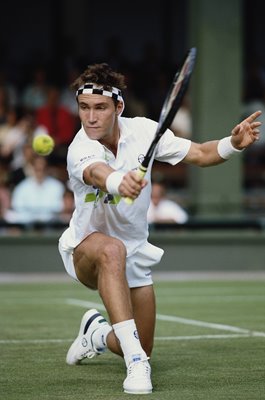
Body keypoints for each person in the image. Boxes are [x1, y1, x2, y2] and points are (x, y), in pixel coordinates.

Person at [58, 63, 261, 394]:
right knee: (112, 249)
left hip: (134, 253)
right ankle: (137, 365)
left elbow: (199, 153)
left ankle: (95, 333)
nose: (91, 117)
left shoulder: (144, 132)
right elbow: (96, 173)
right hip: (87, 250)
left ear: (118, 107)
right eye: (84, 108)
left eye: (100, 108)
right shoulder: (81, 147)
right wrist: (118, 182)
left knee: (140, 341)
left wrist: (233, 143)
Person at [9, 155, 65, 225]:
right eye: (37, 169)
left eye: (43, 169)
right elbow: (17, 209)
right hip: (26, 227)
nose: (40, 172)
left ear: (47, 168)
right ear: (32, 168)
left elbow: (59, 209)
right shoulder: (21, 188)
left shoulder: (58, 187)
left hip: (51, 227)